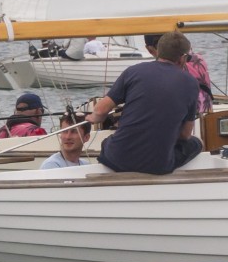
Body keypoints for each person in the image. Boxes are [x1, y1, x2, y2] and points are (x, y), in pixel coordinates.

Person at [87, 32, 204, 174]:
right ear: (183, 58)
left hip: (116, 160)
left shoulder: (133, 71)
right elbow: (185, 134)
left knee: (107, 142)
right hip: (157, 166)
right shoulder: (191, 83)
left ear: (158, 51)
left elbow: (100, 111)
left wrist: (93, 117)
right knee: (196, 143)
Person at [145, 32, 214, 114]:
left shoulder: (168, 67)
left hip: (190, 116)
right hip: (207, 114)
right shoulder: (198, 58)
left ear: (149, 49)